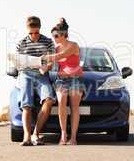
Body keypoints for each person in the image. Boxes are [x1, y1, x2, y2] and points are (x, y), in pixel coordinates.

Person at [42, 18, 85, 145]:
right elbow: (50, 64)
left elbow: (60, 57)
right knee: (61, 101)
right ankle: (63, 134)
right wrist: (43, 67)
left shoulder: (74, 46)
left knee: (74, 107)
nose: (54, 38)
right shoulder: (56, 48)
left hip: (75, 79)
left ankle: (73, 137)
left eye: (56, 36)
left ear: (64, 34)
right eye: (53, 36)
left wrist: (45, 57)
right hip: (61, 79)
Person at [16, 16, 56, 146]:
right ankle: (26, 137)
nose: (33, 35)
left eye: (36, 32)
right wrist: (21, 64)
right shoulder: (21, 43)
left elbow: (52, 62)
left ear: (40, 29)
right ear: (27, 30)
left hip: (41, 75)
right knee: (26, 105)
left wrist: (47, 67)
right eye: (31, 33)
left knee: (49, 99)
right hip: (25, 74)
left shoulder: (48, 41)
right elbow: (17, 64)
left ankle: (35, 134)